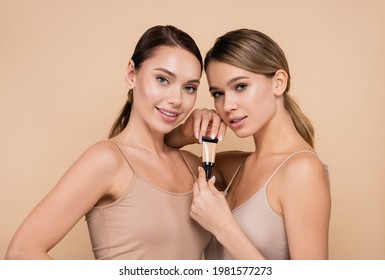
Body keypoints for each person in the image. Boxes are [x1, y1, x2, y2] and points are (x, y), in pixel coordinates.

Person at [5, 25, 226, 260]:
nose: (176, 99)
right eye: (162, 79)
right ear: (132, 74)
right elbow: (21, 253)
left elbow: (260, 168)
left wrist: (181, 135)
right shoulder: (107, 160)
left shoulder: (195, 167)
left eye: (189, 88)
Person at [167, 28, 331, 259]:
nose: (227, 105)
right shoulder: (236, 167)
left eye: (240, 86)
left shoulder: (302, 170)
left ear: (279, 83)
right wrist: (186, 132)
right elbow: (160, 153)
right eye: (217, 93)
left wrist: (223, 227)